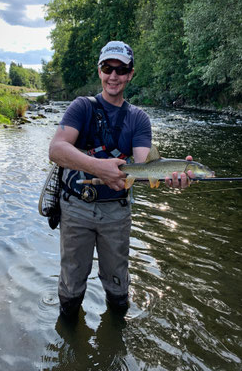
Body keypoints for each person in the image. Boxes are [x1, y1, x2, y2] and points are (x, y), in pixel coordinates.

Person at [49, 41, 193, 318]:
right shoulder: (82, 107)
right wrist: (98, 167)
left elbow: (144, 165)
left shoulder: (138, 118)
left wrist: (171, 175)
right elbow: (56, 149)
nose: (113, 75)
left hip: (117, 210)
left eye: (121, 69)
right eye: (107, 68)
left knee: (118, 285)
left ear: (130, 74)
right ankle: (68, 331)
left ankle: (115, 334)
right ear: (100, 71)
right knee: (71, 283)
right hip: (75, 207)